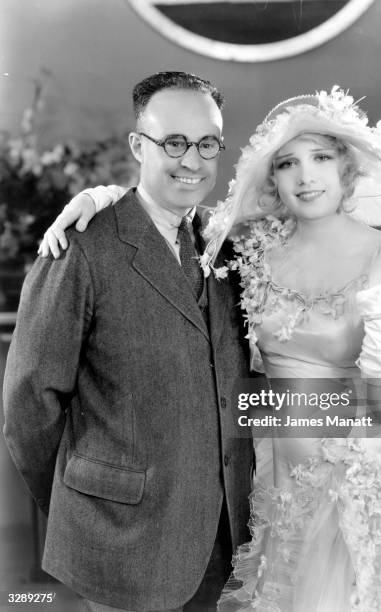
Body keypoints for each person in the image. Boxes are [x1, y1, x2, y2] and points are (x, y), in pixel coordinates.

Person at [38, 87, 381, 610]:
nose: (305, 177)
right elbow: (166, 217)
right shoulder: (252, 246)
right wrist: (100, 197)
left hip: (361, 487)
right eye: (288, 163)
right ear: (271, 177)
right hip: (274, 487)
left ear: (349, 170)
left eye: (320, 159)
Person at [3, 71, 254, 612]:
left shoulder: (227, 245)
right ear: (138, 145)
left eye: (207, 143)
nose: (192, 160)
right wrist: (80, 502)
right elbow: (29, 404)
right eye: (174, 142)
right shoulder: (81, 247)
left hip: (224, 534)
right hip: (122, 539)